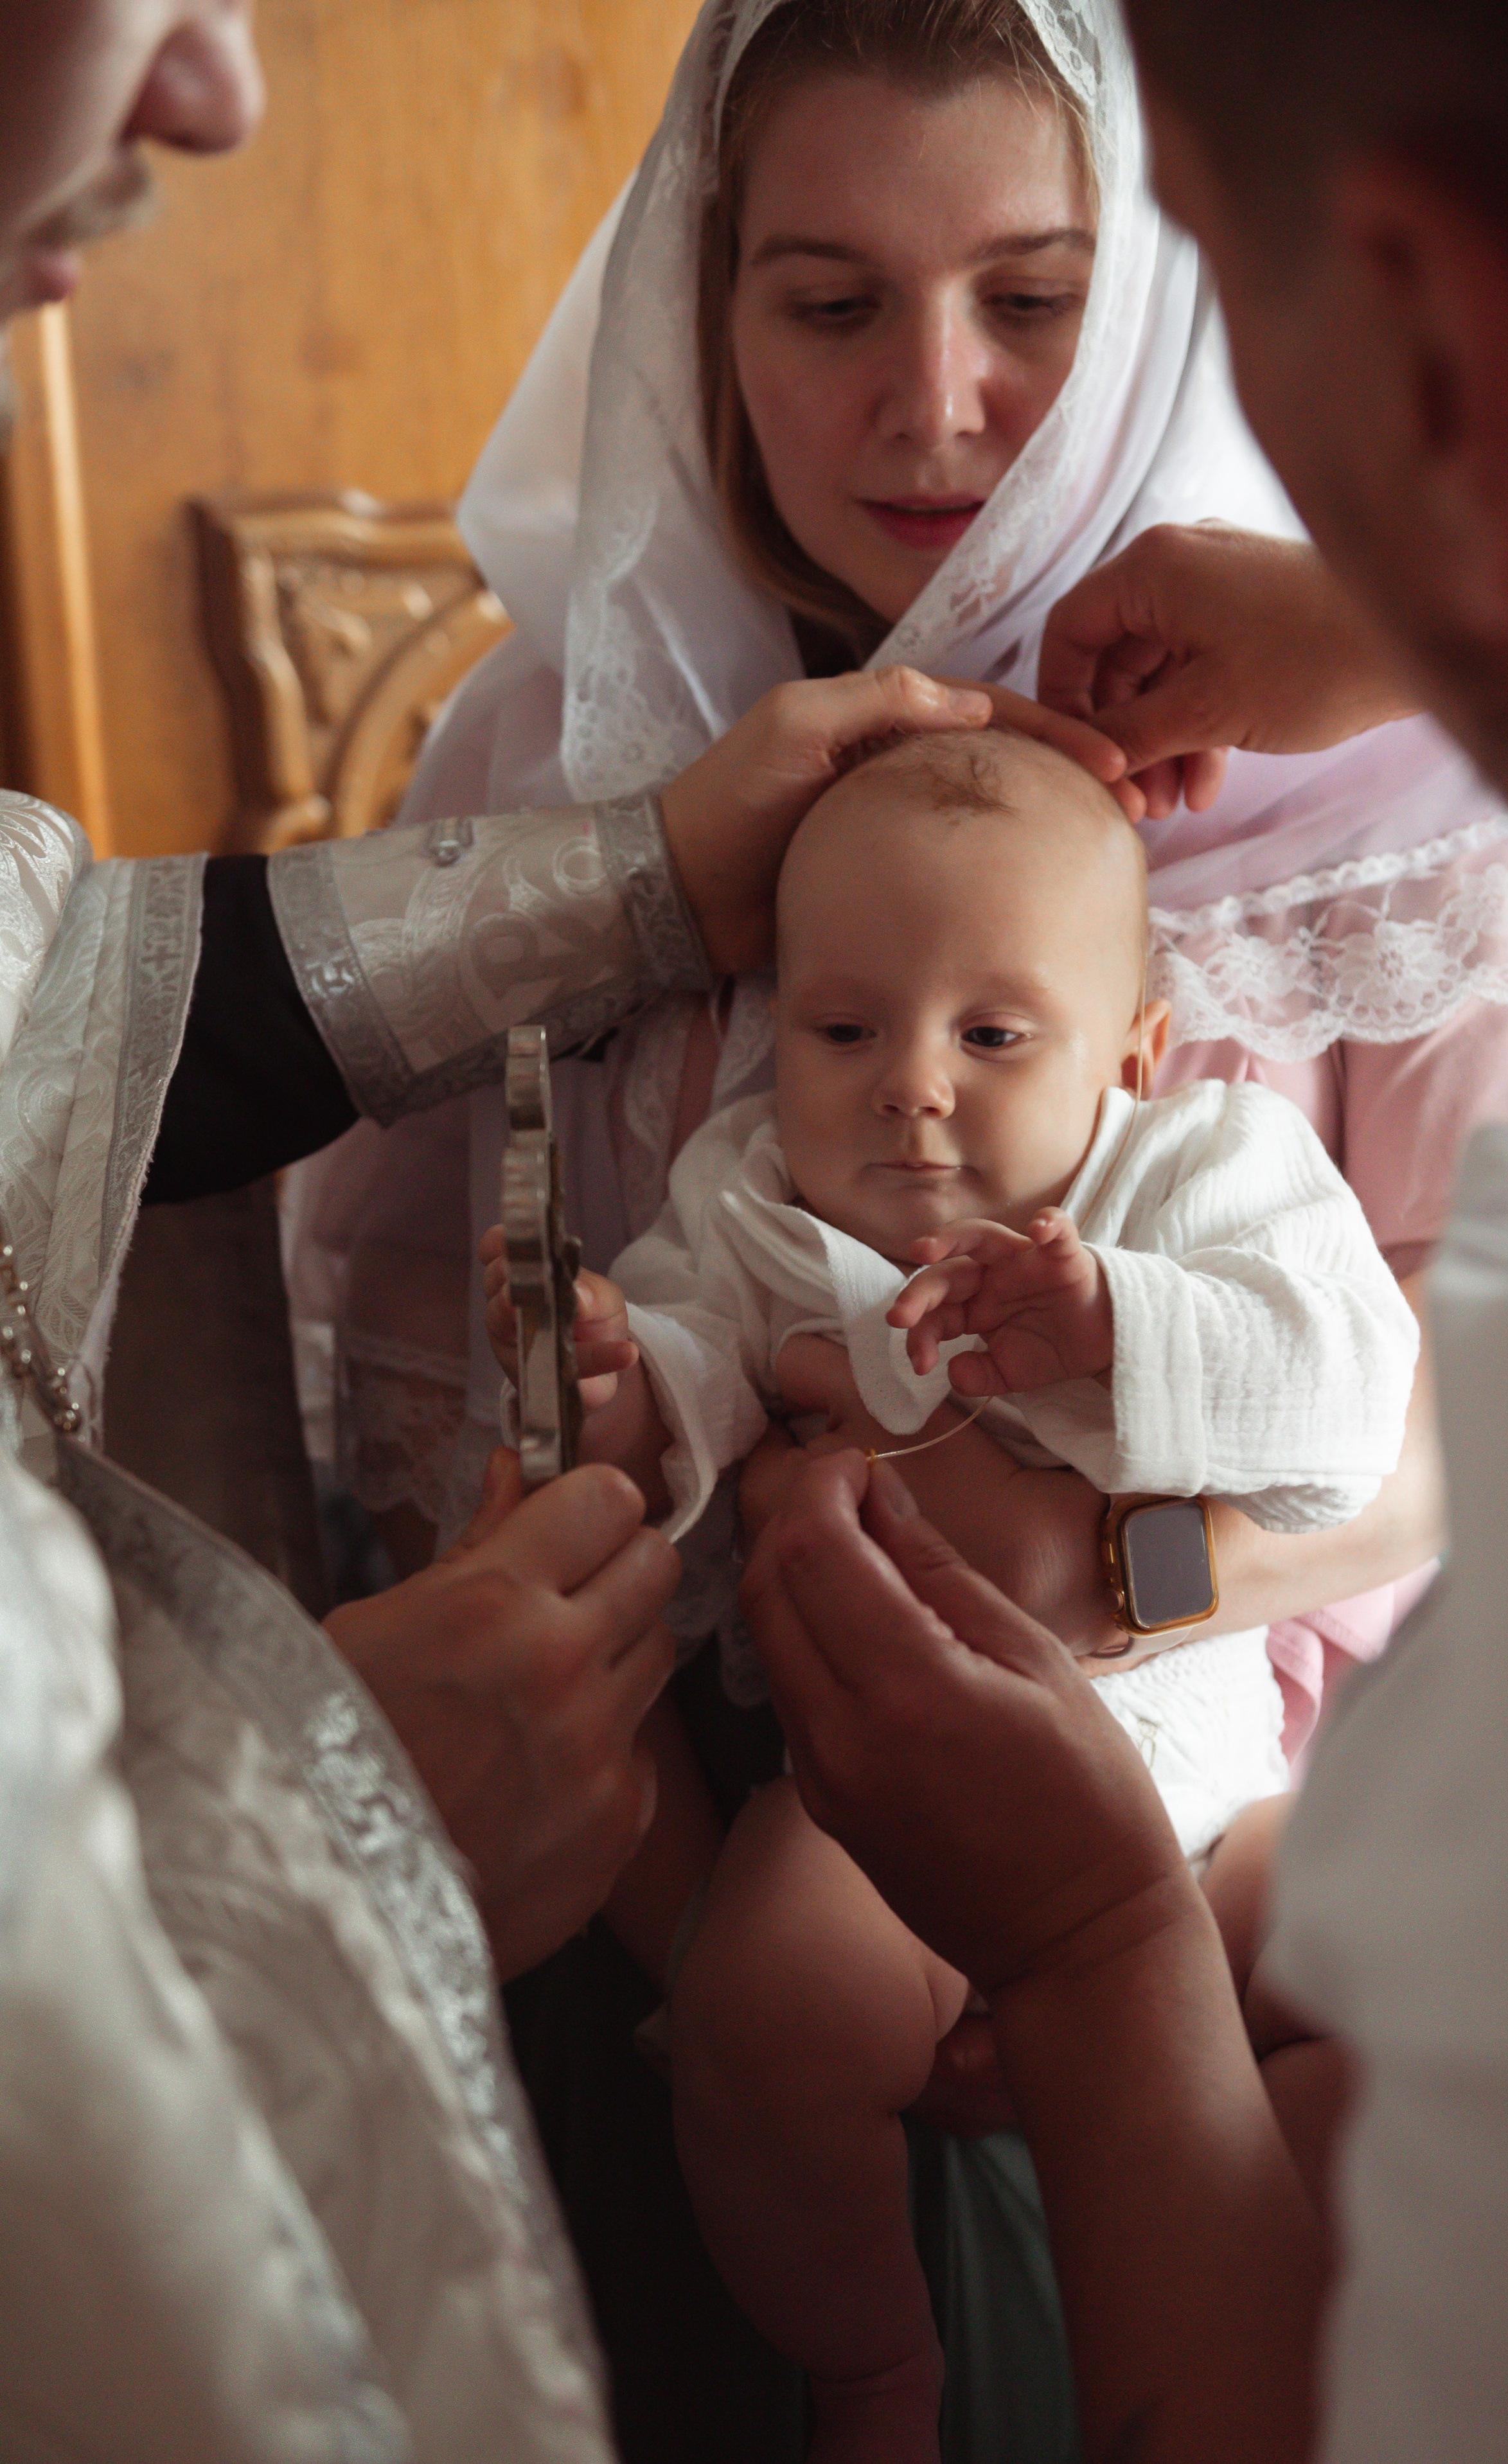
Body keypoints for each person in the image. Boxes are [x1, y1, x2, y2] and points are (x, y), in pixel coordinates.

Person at [0, 7, 1097, 2454]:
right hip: (644, 1863)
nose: (219, 86)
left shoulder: (1318, 778)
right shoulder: (543, 740)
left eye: (1031, 299)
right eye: (827, 304)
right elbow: (467, 1389)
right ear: (701, 316)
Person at [739, 1, 1508, 2459]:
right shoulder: (598, 781)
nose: (936, 409)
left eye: (1068, 298)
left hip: (1273, 1840)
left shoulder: (1425, 799)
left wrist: (1098, 1580)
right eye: (827, 305)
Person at [500, 722, 1415, 2464]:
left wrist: (1120, 1323)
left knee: (1423, 1949)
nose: (912, 1084)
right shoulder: (754, 1201)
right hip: (891, 1812)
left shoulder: (1196, 1174)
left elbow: (1351, 1407)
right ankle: (873, 2369)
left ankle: (1296, 2307)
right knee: (758, 2011)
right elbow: (693, 1405)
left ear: (1133, 1050)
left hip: (1209, 1801)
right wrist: (628, 1381)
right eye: (846, 1028)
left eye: (995, 1035)